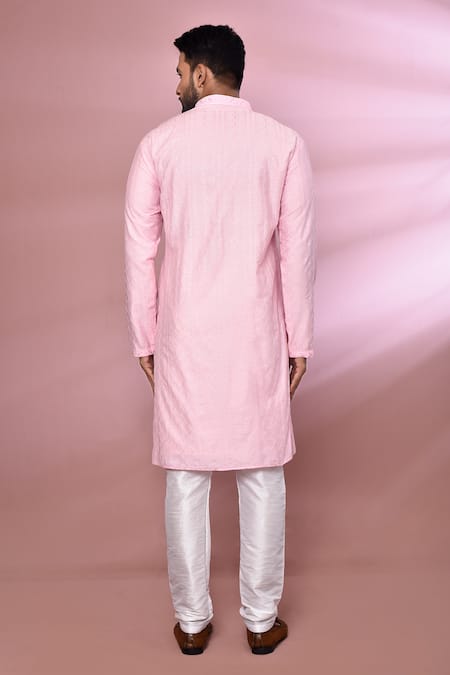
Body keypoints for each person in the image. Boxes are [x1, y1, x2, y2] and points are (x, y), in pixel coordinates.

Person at [124, 24, 317, 655]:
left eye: (180, 72)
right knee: (261, 473)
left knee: (186, 477)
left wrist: (145, 338)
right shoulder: (284, 144)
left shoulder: (158, 146)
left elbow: (139, 252)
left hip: (184, 337)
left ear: (202, 74)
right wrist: (299, 339)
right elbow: (296, 252)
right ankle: (261, 622)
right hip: (257, 333)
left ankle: (192, 623)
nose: (176, 83)